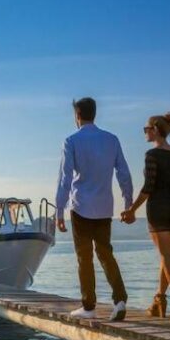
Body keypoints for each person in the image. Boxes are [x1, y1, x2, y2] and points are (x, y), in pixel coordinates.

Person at [56, 97, 134, 320]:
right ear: (94, 114)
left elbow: (65, 179)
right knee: (105, 254)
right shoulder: (112, 140)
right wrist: (128, 203)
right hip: (104, 207)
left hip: (80, 207)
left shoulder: (71, 141)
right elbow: (124, 174)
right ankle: (119, 300)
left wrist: (58, 211)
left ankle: (88, 306)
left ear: (77, 115)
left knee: (84, 258)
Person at [121, 112, 170, 322]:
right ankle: (158, 301)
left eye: (146, 129)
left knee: (166, 256)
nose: (144, 132)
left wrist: (132, 209)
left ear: (155, 129)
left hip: (159, 210)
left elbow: (148, 187)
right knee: (167, 255)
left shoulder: (152, 155)